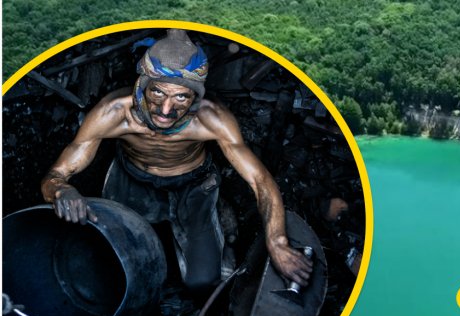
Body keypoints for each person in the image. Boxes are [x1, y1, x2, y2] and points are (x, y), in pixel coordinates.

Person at [40, 29, 312, 292]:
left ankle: (216, 220)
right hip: (131, 180)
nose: (166, 110)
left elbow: (260, 180)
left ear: (195, 97)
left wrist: (278, 243)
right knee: (109, 266)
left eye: (181, 96)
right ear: (142, 86)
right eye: (158, 92)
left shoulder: (212, 119)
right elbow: (57, 174)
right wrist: (61, 190)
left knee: (202, 282)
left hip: (192, 185)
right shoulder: (113, 114)